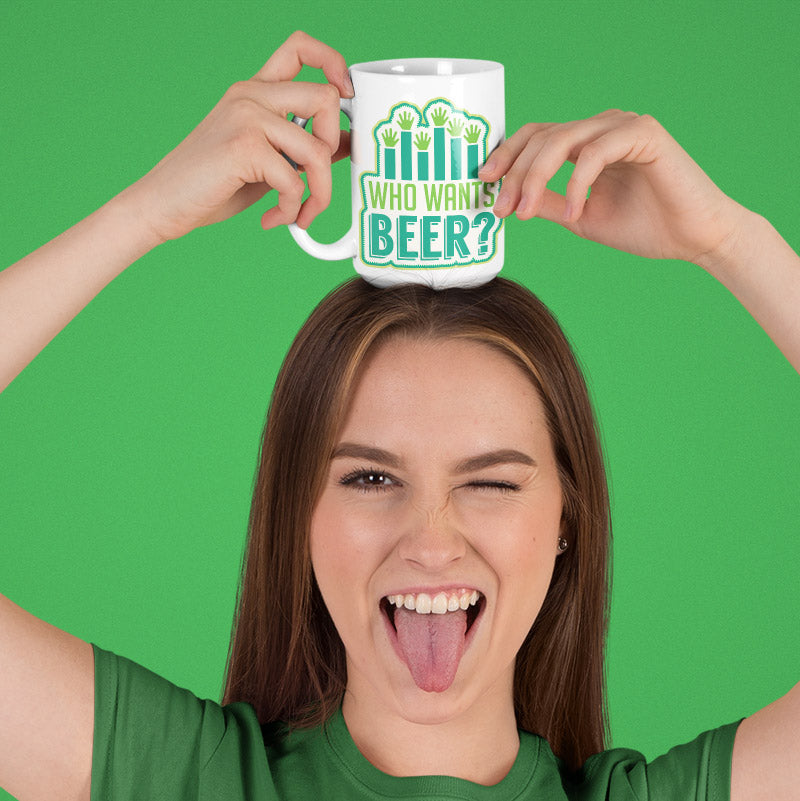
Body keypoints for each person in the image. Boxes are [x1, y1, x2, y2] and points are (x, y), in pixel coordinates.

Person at [0, 29, 798, 801]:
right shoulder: (183, 778)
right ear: (299, 513)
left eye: (490, 482)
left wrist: (731, 239)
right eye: (371, 475)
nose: (430, 542)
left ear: (567, 520)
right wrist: (144, 214)